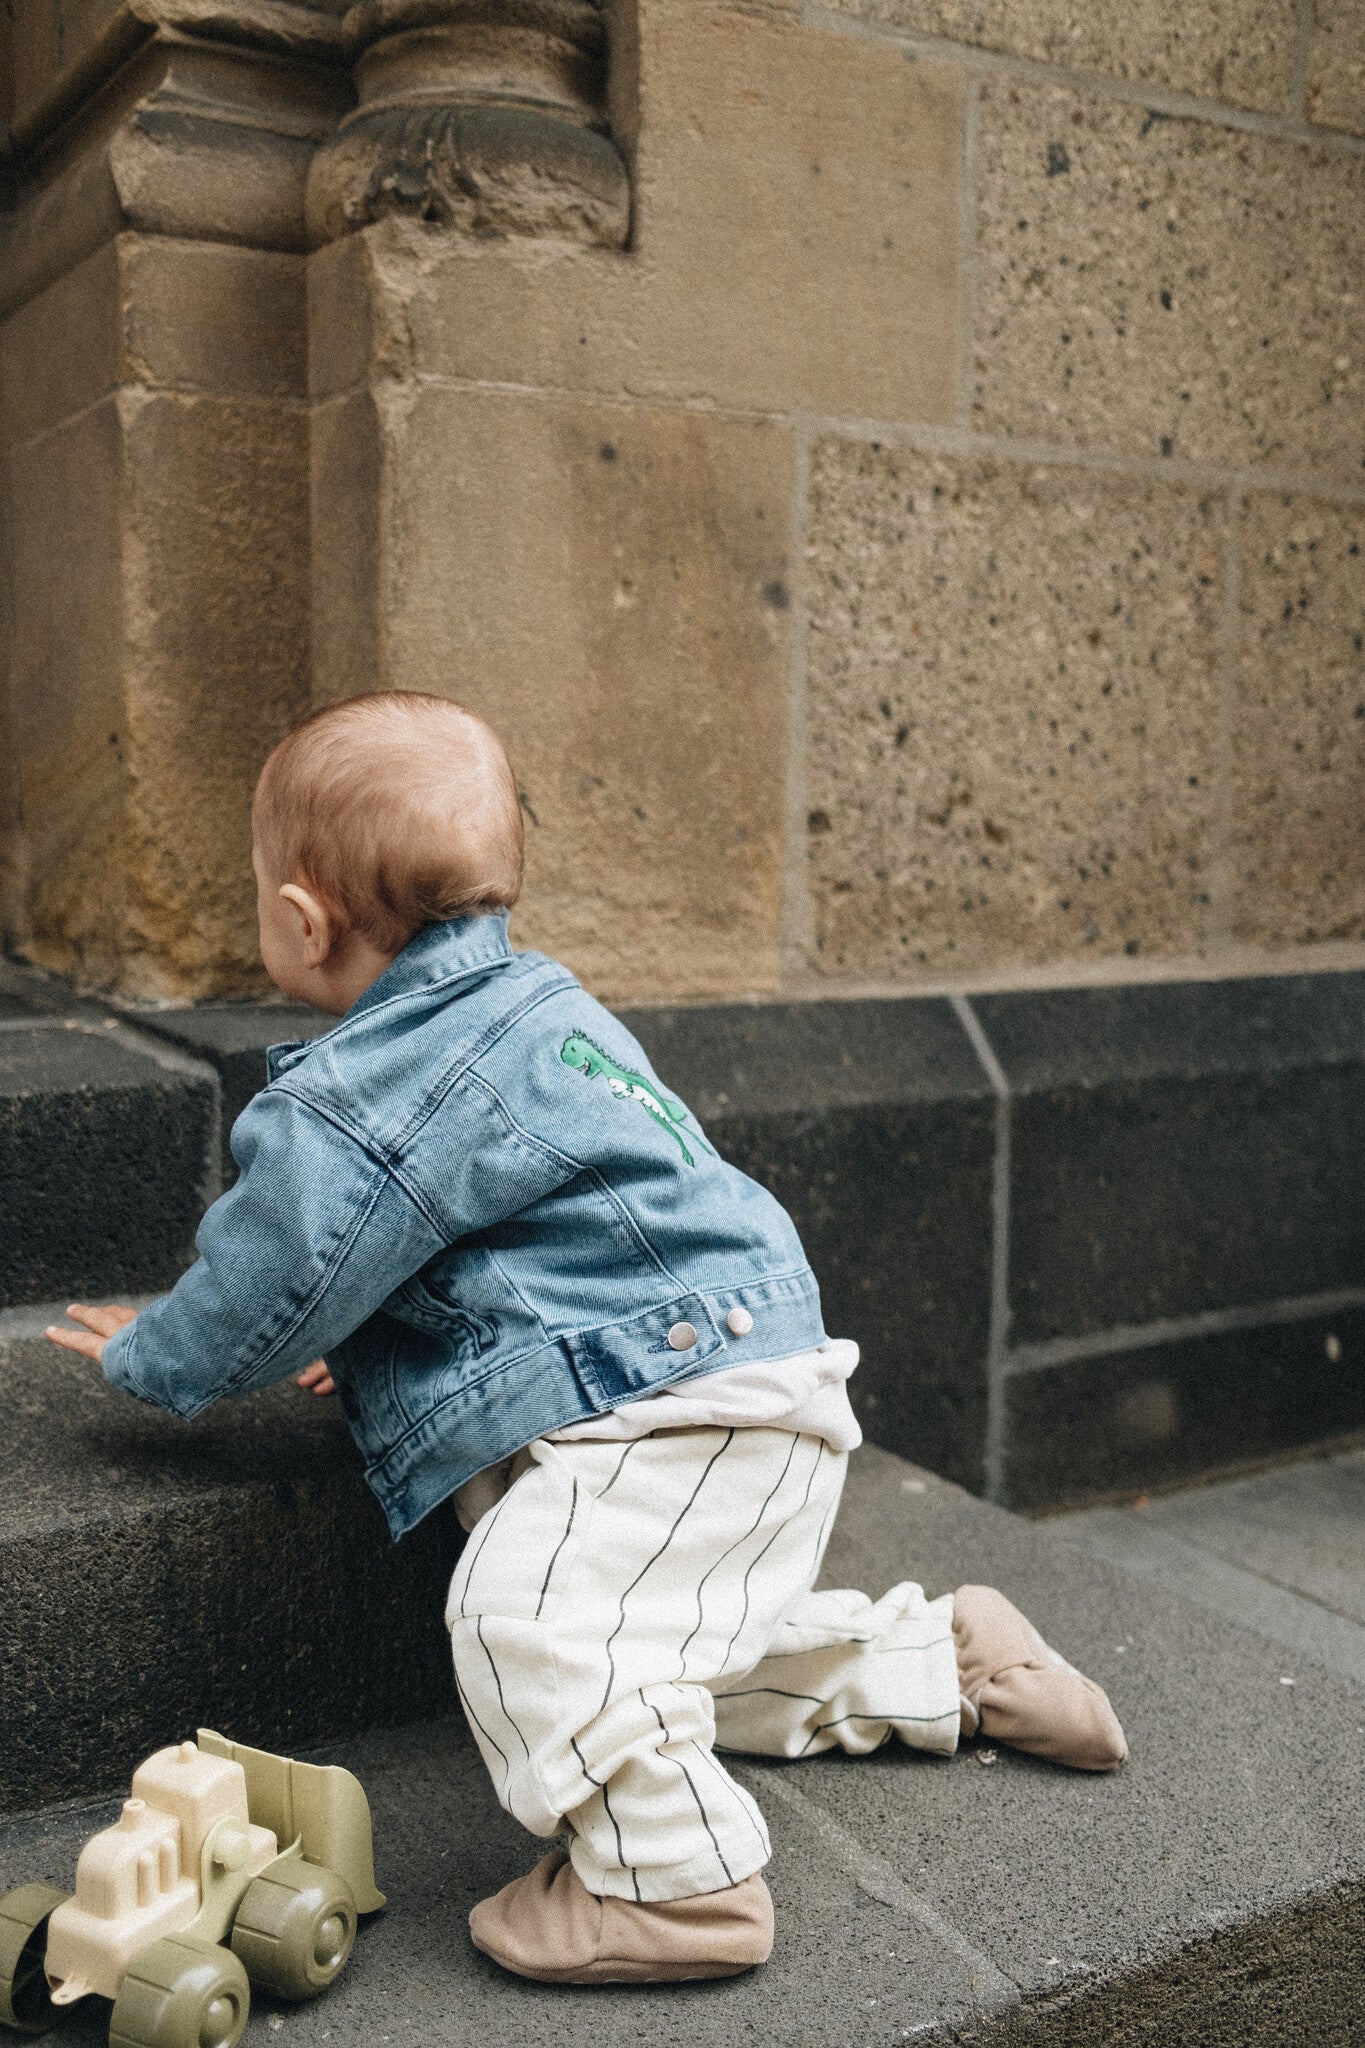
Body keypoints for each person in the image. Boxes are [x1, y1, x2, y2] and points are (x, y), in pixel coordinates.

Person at [47, 691, 1126, 1987]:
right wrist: (377, 1338)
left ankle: (674, 1889)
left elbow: (280, 1270)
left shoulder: (361, 1094)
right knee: (661, 1669)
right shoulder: (544, 1008)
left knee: (530, 1625)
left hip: (656, 1409)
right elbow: (502, 1238)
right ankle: (942, 1665)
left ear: (301, 918)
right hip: (751, 1381)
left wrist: (158, 1352)